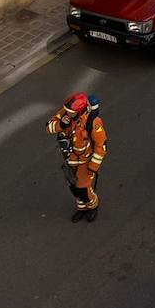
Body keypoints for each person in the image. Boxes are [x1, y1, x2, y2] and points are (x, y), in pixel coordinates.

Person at [46, 91, 106, 223]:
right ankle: (81, 209)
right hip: (70, 159)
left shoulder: (93, 122)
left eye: (70, 112)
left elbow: (100, 146)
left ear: (79, 111)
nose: (67, 114)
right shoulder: (67, 113)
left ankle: (93, 206)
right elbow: (49, 127)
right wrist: (61, 124)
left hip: (86, 161)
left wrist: (93, 166)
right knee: (74, 187)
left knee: (83, 189)